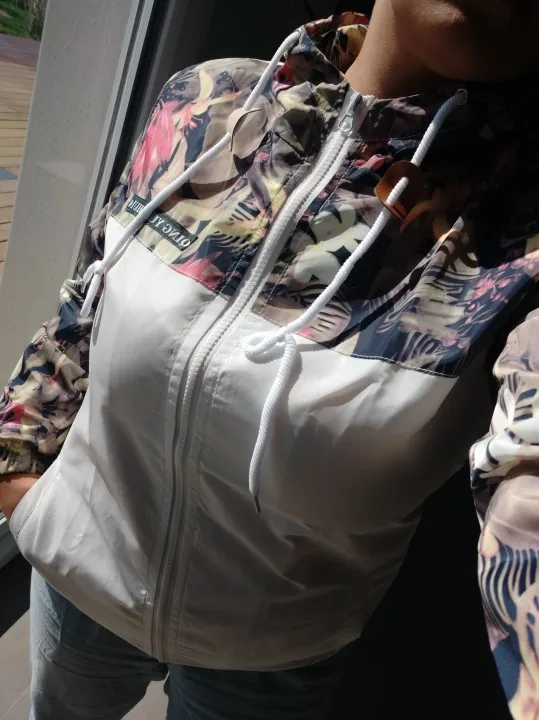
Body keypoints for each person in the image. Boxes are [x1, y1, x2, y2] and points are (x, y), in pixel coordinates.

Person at [0, 2, 538, 718]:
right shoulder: (209, 100)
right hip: (77, 572)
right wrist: (17, 465)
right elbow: (88, 296)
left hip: (271, 654)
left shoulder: (519, 224)